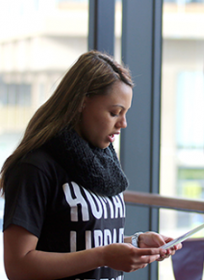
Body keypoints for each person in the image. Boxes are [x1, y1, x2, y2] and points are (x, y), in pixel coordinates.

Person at [0, 50, 181, 280]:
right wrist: (103, 256)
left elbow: (83, 240)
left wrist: (136, 243)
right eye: (115, 112)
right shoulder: (35, 167)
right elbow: (18, 266)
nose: (123, 123)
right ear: (81, 103)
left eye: (125, 113)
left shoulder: (104, 166)